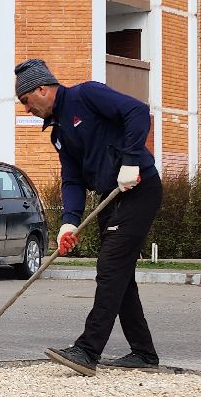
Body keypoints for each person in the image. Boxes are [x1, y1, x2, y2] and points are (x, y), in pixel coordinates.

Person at [14, 58, 162, 376]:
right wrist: (69, 220)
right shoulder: (59, 134)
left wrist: (132, 160)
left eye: (26, 101)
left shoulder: (87, 95)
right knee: (121, 276)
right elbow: (72, 179)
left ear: (42, 89)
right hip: (110, 199)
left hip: (139, 189)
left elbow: (136, 112)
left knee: (110, 268)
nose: (27, 109)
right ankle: (144, 353)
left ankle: (87, 350)